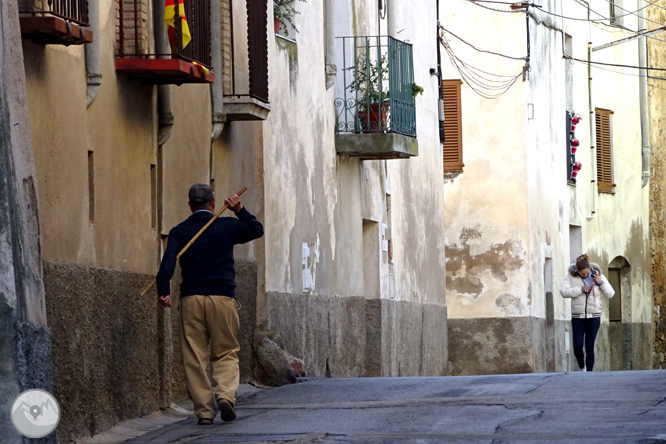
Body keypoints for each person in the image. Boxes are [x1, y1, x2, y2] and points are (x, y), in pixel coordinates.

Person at [156, 183, 264, 425]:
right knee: (225, 350)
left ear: (189, 204)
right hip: (222, 297)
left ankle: (204, 411)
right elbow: (256, 230)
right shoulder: (226, 226)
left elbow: (168, 261)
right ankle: (225, 395)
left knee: (194, 356)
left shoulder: (180, 230)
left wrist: (164, 290)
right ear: (213, 203)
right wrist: (239, 209)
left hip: (191, 298)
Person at [560, 254, 614, 372]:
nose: (585, 276)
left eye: (587, 273)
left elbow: (610, 294)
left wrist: (600, 282)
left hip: (594, 317)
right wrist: (580, 290)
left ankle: (589, 372)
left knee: (589, 345)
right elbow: (563, 292)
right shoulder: (570, 277)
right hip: (577, 317)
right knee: (577, 345)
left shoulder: (598, 276)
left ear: (589, 268)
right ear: (577, 271)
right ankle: (581, 367)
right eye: (582, 274)